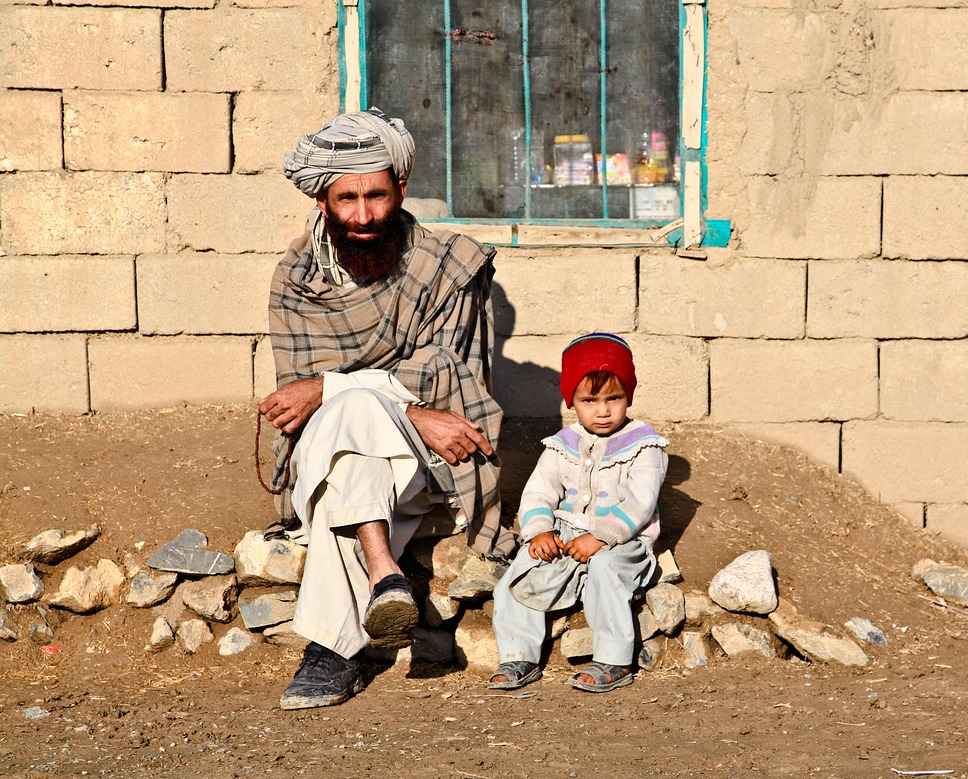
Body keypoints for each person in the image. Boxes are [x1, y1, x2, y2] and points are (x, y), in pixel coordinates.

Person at [260, 107, 516, 711]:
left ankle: (329, 655)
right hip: (338, 453)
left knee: (347, 416)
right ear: (323, 200)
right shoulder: (296, 281)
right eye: (345, 198)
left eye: (376, 195)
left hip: (431, 458)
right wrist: (386, 401)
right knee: (348, 437)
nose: (363, 215)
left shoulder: (449, 266)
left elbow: (451, 377)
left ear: (401, 188)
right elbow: (300, 412)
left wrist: (333, 387)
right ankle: (385, 574)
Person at [487, 333, 668, 693]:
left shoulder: (645, 446)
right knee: (520, 571)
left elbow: (640, 502)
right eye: (589, 400)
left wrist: (601, 537)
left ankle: (614, 659)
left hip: (621, 540)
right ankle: (517, 655)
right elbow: (539, 490)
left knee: (605, 569)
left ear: (628, 395)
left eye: (613, 398)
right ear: (572, 401)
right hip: (567, 536)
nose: (602, 411)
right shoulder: (561, 446)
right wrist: (538, 530)